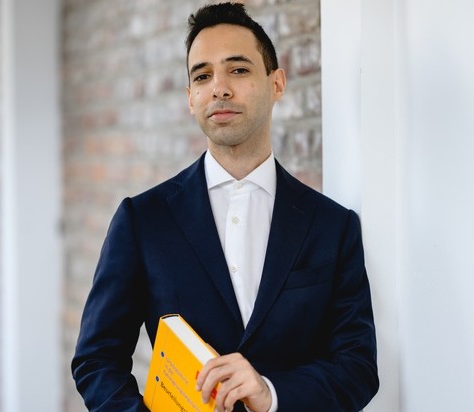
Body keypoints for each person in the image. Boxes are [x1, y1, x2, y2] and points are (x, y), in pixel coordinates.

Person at [71, 3, 379, 411]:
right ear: (190, 98)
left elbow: (358, 367)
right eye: (203, 76)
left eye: (238, 69)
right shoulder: (142, 221)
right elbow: (96, 360)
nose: (219, 88)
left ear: (277, 83)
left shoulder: (333, 226)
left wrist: (270, 393)